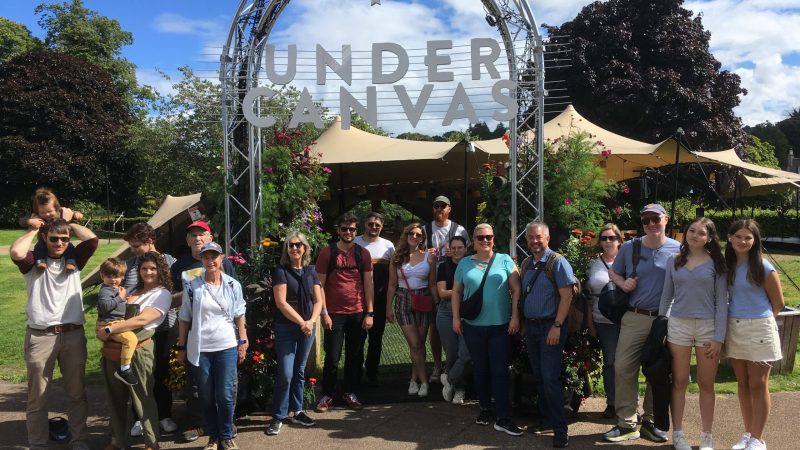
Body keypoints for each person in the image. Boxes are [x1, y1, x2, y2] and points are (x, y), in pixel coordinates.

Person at [10, 218, 98, 450]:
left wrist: (68, 221)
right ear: (45, 239)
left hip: (72, 335)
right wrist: (34, 228)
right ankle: (38, 444)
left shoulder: (75, 260)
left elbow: (91, 240)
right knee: (38, 396)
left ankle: (79, 440)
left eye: (64, 239)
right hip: (41, 336)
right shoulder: (32, 263)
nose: (59, 243)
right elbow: (17, 251)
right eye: (54, 238)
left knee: (77, 393)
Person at [605, 203, 681, 443]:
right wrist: (622, 283)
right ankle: (627, 422)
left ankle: (649, 420)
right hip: (635, 316)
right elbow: (614, 272)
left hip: (665, 319)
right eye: (645, 220)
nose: (650, 224)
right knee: (623, 366)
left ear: (665, 219)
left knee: (657, 370)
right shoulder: (630, 247)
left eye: (655, 219)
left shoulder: (679, 249)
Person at [659, 217, 728, 450]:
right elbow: (666, 296)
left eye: (701, 233)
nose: (695, 235)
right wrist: (661, 323)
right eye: (691, 230)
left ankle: (706, 436)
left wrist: (719, 337)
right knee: (679, 381)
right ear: (685, 233)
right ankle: (678, 434)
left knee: (706, 383)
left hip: (708, 327)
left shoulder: (717, 263)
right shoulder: (674, 260)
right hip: (679, 325)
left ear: (709, 237)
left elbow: (722, 302)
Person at [96, 251, 174, 450]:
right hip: (113, 350)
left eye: (153, 269)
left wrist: (109, 329)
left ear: (160, 271)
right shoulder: (129, 289)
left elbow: (143, 319)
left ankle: (151, 442)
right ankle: (117, 442)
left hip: (139, 351)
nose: (148, 272)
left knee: (143, 398)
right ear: (138, 271)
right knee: (114, 399)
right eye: (144, 268)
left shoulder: (162, 294)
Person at [170, 220, 238, 443]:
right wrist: (192, 291)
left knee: (226, 388)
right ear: (187, 240)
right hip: (194, 332)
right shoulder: (179, 266)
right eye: (193, 235)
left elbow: (235, 299)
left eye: (202, 234)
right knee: (198, 386)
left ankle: (225, 427)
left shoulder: (224, 263)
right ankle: (199, 424)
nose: (197, 238)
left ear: (210, 238)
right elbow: (173, 301)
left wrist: (242, 336)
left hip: (224, 337)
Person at [452, 223, 523, 436]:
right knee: (480, 370)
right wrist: (456, 318)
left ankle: (503, 416)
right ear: (473, 240)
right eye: (480, 237)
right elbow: (456, 292)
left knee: (500, 371)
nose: (485, 240)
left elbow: (516, 289)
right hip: (473, 327)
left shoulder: (504, 260)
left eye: (489, 237)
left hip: (500, 327)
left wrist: (515, 317)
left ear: (494, 239)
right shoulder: (464, 263)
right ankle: (485, 409)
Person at [177, 242, 248, 450]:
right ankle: (213, 437)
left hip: (226, 346)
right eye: (206, 257)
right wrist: (181, 348)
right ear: (201, 259)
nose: (211, 261)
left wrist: (242, 339)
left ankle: (226, 435)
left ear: (221, 258)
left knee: (225, 395)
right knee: (206, 396)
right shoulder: (192, 285)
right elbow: (184, 317)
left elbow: (239, 313)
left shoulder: (233, 285)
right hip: (201, 348)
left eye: (214, 257)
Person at [723, 220, 784, 450]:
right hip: (734, 326)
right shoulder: (728, 265)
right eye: (738, 236)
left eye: (748, 237)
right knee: (743, 383)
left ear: (755, 241)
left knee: (758, 384)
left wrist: (760, 322)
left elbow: (778, 303)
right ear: (730, 237)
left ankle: (759, 439)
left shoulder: (763, 266)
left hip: (759, 327)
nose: (743, 241)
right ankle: (748, 434)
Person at [520, 221, 575, 448]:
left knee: (550, 378)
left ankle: (560, 429)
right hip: (532, 328)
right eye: (531, 237)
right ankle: (545, 420)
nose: (534, 241)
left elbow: (567, 297)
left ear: (547, 238)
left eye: (538, 237)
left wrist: (557, 325)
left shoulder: (558, 262)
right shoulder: (526, 263)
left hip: (550, 328)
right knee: (540, 377)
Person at [123, 223, 179, 436]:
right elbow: (125, 292)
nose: (133, 250)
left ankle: (164, 415)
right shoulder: (130, 264)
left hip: (166, 326)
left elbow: (179, 291)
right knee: (138, 373)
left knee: (162, 371)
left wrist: (159, 305)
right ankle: (139, 418)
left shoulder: (171, 261)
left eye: (136, 245)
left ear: (149, 242)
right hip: (137, 328)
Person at [315, 212, 375, 412]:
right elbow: (319, 285)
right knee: (332, 356)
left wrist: (370, 313)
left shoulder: (362, 253)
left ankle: (350, 391)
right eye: (344, 229)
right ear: (338, 230)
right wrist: (324, 313)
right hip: (334, 312)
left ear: (356, 231)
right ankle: (328, 394)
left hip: (357, 311)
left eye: (351, 229)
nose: (348, 232)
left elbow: (368, 284)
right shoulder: (327, 253)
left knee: (354, 356)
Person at [266, 232, 323, 436]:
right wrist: (302, 322)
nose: (294, 248)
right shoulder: (281, 271)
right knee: (286, 372)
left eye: (298, 245)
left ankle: (297, 411)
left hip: (308, 326)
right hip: (287, 328)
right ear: (286, 250)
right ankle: (278, 416)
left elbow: (318, 300)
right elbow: (281, 302)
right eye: (290, 245)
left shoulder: (311, 271)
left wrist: (311, 321)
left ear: (305, 248)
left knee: (299, 371)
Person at [386, 223, 437, 397]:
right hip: (402, 299)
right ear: (406, 235)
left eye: (418, 235)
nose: (414, 237)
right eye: (411, 234)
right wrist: (388, 308)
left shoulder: (429, 257)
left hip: (423, 298)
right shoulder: (397, 257)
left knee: (419, 345)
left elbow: (431, 283)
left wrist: (436, 302)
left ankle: (413, 379)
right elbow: (392, 285)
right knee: (414, 344)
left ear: (422, 238)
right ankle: (424, 382)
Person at [425, 195, 469, 382]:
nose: (439, 209)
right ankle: (437, 364)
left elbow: (468, 252)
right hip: (428, 280)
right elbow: (415, 251)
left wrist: (455, 253)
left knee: (458, 326)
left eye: (443, 206)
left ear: (449, 209)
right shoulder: (425, 229)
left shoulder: (459, 229)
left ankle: (454, 368)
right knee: (434, 327)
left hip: (451, 278)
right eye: (436, 206)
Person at [585, 223, 624, 419]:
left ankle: (628, 404)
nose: (607, 241)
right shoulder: (592, 264)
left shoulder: (627, 262)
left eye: (611, 238)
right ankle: (612, 402)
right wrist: (590, 323)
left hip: (627, 319)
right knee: (610, 362)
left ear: (619, 240)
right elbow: (589, 296)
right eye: (604, 238)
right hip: (603, 320)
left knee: (628, 364)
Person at [354, 212, 395, 384]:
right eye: (371, 224)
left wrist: (388, 304)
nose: (374, 227)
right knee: (357, 338)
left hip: (379, 298)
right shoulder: (355, 243)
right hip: (356, 298)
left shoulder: (388, 246)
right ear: (365, 224)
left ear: (382, 226)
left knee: (376, 339)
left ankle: (372, 371)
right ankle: (355, 372)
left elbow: (392, 276)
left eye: (377, 225)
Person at [436, 235, 471, 404]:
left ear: (466, 248)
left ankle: (449, 379)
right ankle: (459, 389)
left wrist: (455, 291)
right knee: (451, 353)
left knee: (465, 354)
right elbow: (442, 293)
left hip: (466, 313)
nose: (457, 251)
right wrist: (462, 290)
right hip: (446, 312)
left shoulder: (472, 264)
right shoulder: (444, 266)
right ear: (449, 249)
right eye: (454, 248)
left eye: (460, 247)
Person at [96, 257, 140, 385]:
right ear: (102, 276)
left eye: (117, 276)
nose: (113, 279)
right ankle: (124, 368)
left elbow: (116, 306)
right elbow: (105, 307)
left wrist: (126, 301)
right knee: (130, 339)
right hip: (108, 324)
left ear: (122, 277)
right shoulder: (105, 291)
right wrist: (120, 298)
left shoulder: (116, 289)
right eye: (109, 276)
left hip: (117, 321)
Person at [20, 187, 83, 271]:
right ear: (38, 211)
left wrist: (77, 215)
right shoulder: (36, 216)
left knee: (70, 247)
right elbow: (21, 221)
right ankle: (41, 262)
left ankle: (70, 262)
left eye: (50, 211)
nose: (47, 214)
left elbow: (74, 213)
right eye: (42, 212)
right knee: (39, 247)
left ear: (56, 208)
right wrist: (30, 221)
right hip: (44, 240)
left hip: (63, 239)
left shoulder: (61, 212)